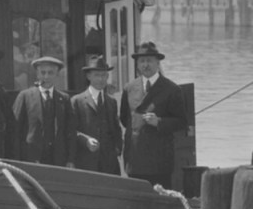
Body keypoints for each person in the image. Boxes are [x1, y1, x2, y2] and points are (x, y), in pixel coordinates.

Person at [120, 41, 189, 187]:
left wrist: (159, 122)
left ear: (158, 63)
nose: (146, 65)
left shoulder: (172, 89)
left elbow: (182, 122)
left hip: (159, 161)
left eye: (149, 61)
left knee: (159, 198)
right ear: (137, 64)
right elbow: (125, 119)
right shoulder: (129, 88)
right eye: (142, 61)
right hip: (135, 160)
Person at [12, 56, 76, 167]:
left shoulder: (64, 99)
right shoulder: (25, 96)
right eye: (43, 72)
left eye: (50, 73)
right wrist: (16, 160)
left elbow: (70, 131)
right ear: (37, 74)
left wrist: (70, 159)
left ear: (57, 75)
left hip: (57, 159)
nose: (46, 76)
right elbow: (14, 130)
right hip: (31, 158)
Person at [70, 55, 122, 174]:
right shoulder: (77, 101)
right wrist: (86, 141)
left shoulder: (111, 102)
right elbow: (71, 131)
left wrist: (118, 148)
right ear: (88, 76)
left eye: (104, 75)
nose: (101, 79)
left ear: (107, 76)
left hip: (109, 163)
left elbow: (116, 128)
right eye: (97, 75)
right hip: (86, 162)